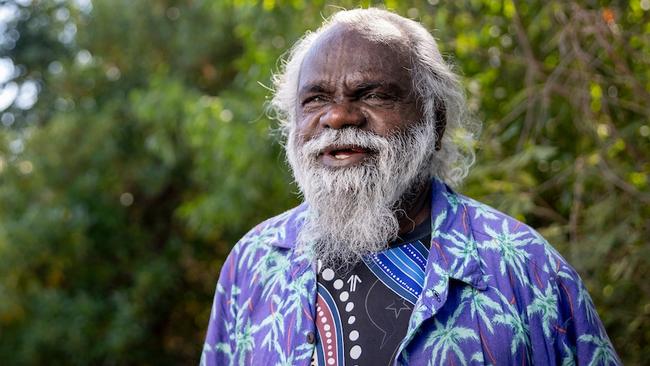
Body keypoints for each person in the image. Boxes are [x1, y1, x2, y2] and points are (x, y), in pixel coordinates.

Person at [201, 8, 620, 366]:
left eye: (373, 95)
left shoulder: (528, 271)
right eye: (315, 99)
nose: (339, 116)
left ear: (433, 123)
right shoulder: (253, 264)